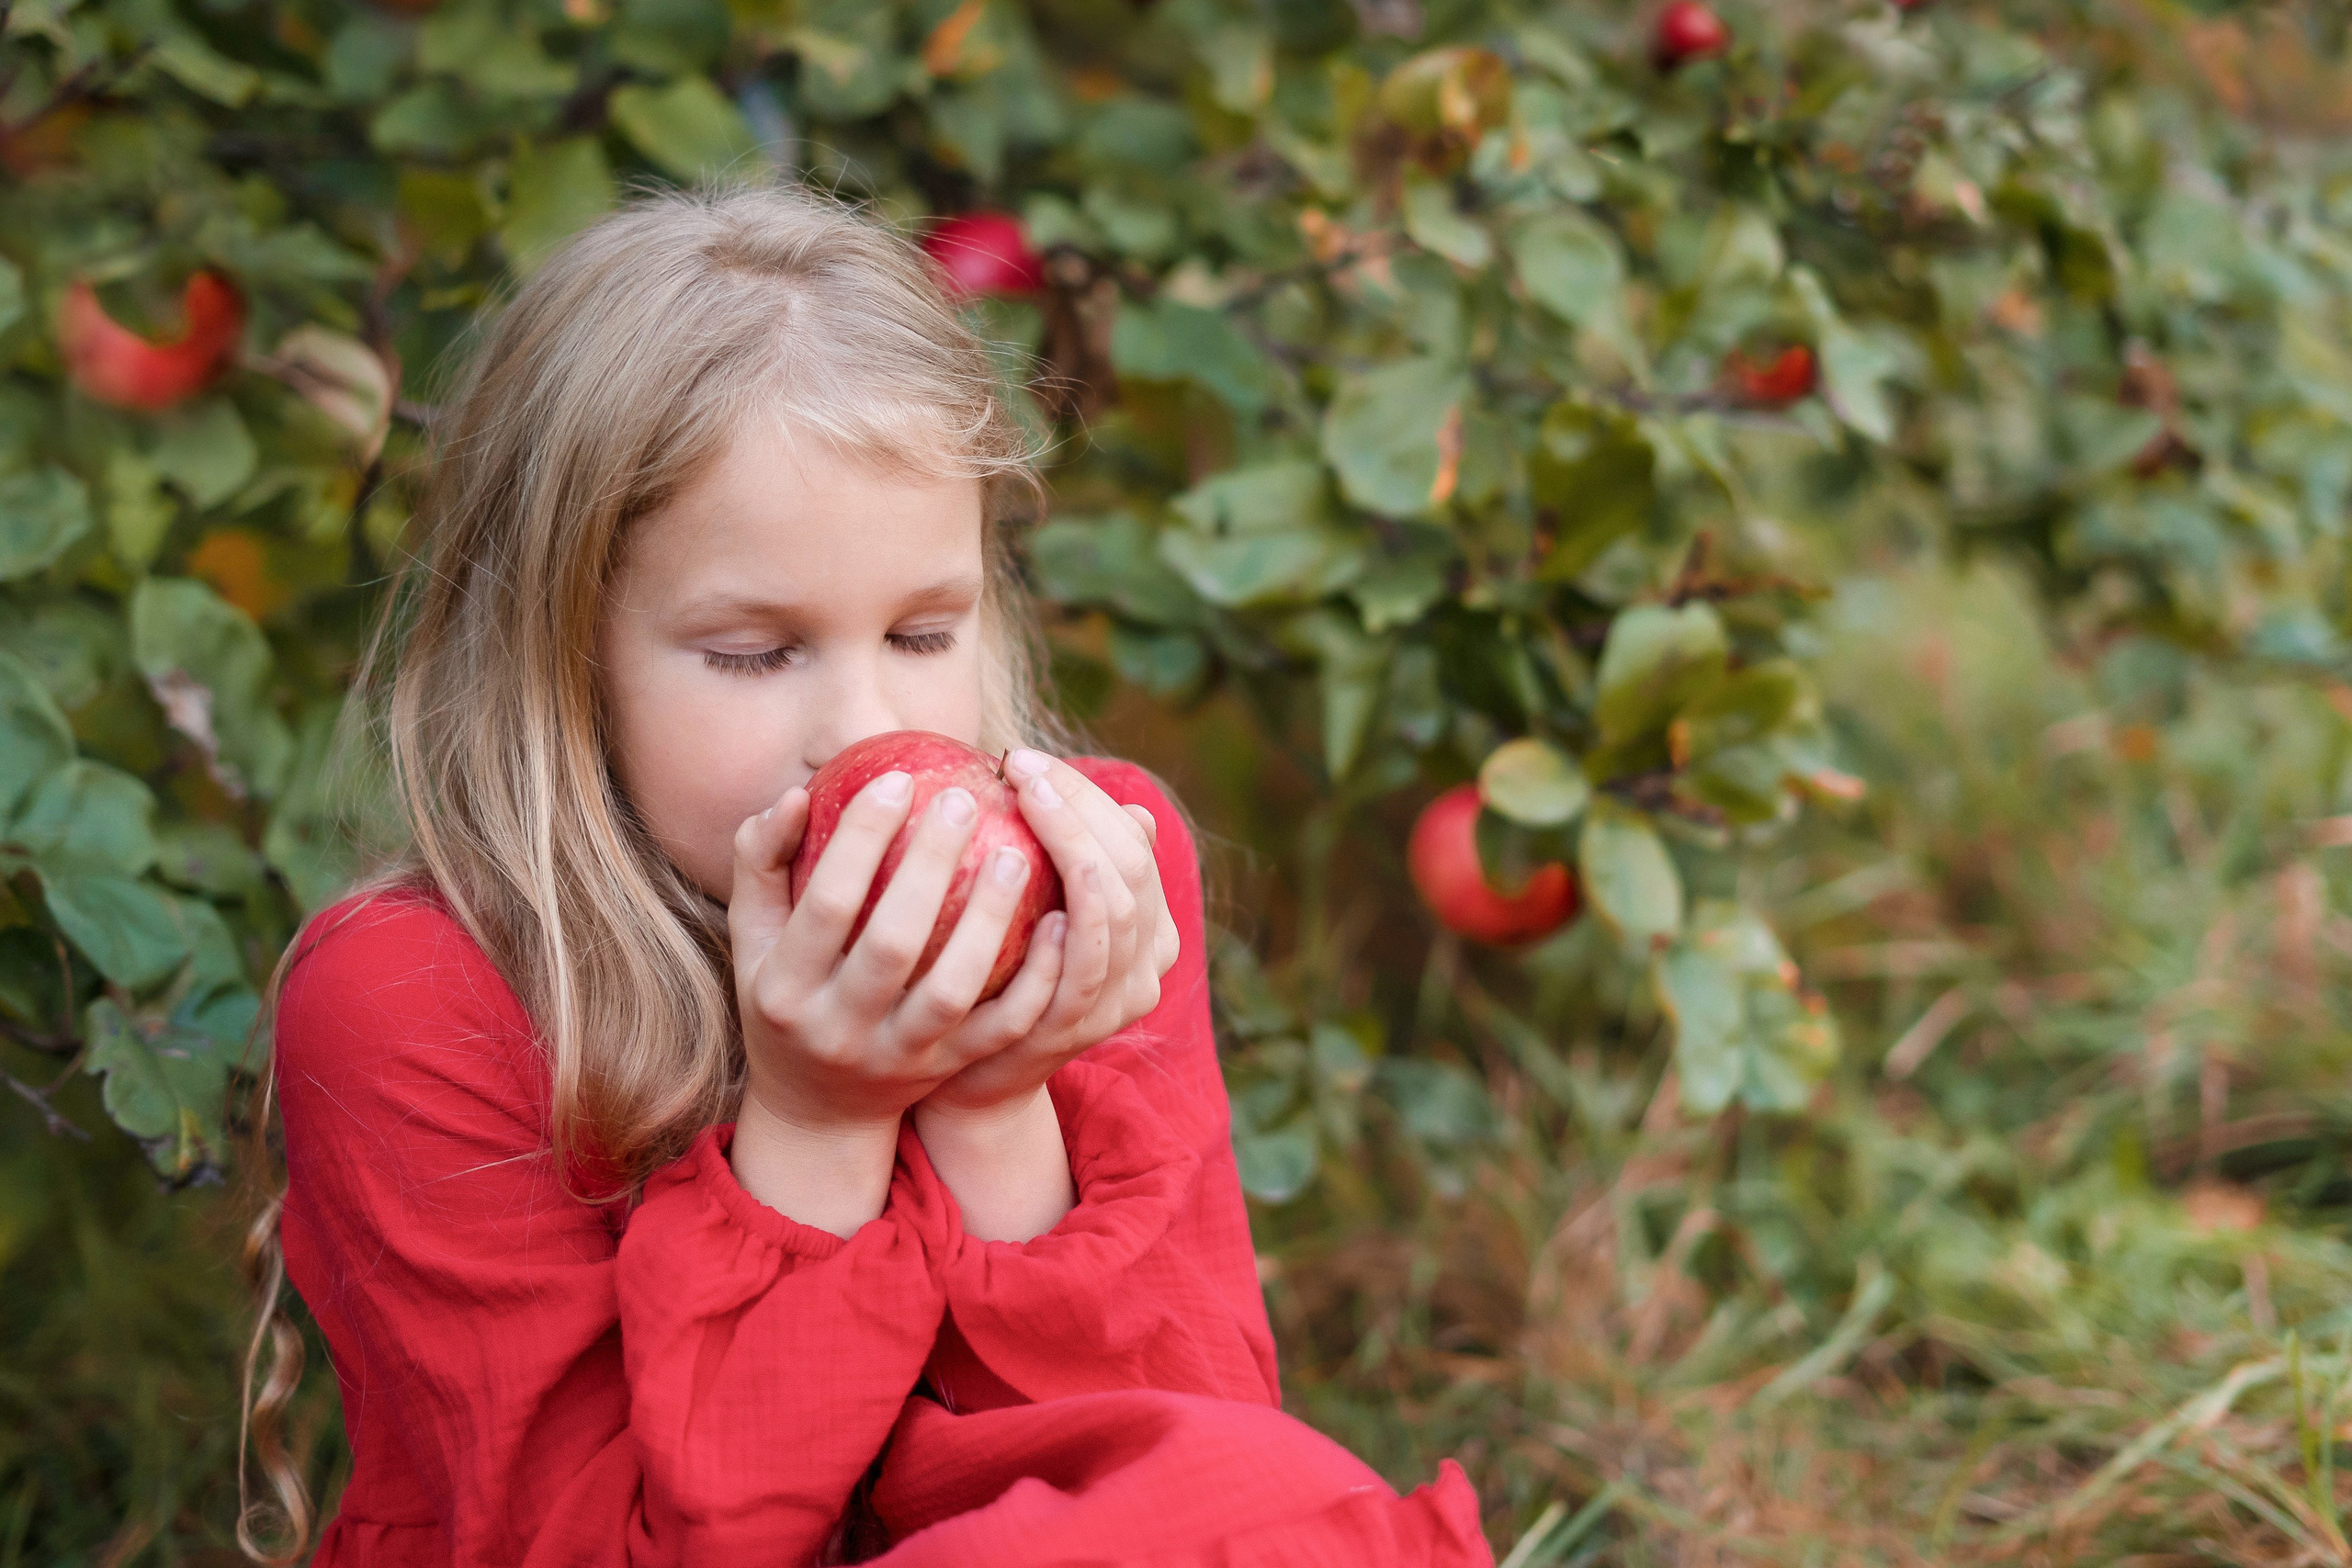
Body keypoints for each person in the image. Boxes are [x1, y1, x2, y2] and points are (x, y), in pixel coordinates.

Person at [239, 184, 1492, 1568]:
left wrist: (1000, 1096)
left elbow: (1183, 1455)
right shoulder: (415, 998)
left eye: (921, 630)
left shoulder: (1098, 880)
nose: (867, 733)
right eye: (754, 654)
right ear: (561, 652)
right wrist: (821, 1124)